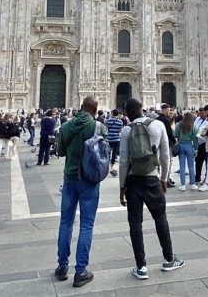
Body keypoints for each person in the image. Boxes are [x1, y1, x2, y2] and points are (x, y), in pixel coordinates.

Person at [119, 97, 184, 280]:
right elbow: (165, 155)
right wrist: (163, 178)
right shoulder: (158, 126)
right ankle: (169, 259)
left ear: (129, 112)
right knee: (161, 219)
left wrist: (122, 187)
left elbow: (123, 162)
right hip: (152, 180)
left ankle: (141, 268)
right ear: (141, 109)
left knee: (135, 224)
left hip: (132, 182)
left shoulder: (126, 130)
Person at [54, 96, 107, 288]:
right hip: (89, 180)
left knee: (66, 222)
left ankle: (62, 267)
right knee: (86, 225)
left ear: (81, 107)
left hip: (70, 178)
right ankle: (80, 271)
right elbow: (104, 152)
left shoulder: (67, 126)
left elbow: (59, 151)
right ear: (95, 110)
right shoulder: (98, 126)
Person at [173, 111, 198, 191]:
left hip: (181, 145)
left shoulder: (179, 125)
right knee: (191, 166)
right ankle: (192, 184)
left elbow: (175, 135)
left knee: (182, 165)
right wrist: (196, 149)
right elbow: (195, 139)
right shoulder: (193, 127)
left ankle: (183, 185)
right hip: (189, 145)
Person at [106, 109, 124, 177]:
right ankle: (112, 167)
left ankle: (106, 166)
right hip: (116, 139)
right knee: (114, 153)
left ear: (112, 113)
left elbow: (106, 130)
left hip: (109, 139)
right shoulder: (120, 122)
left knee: (108, 152)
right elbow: (120, 131)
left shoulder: (108, 121)